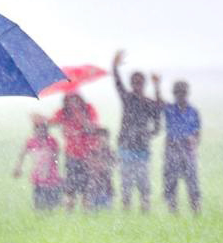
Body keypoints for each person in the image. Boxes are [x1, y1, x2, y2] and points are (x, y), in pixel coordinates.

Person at [113, 50, 162, 212]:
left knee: (143, 186)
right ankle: (127, 212)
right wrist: (114, 67)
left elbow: (157, 122)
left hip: (141, 149)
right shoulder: (127, 98)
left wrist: (157, 87)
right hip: (126, 148)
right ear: (131, 83)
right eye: (134, 82)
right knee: (126, 185)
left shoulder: (148, 103)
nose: (137, 85)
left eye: (139, 82)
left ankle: (144, 212)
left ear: (143, 84)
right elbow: (118, 84)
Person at [154, 75, 202, 215]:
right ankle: (173, 213)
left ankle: (196, 212)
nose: (181, 95)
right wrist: (157, 86)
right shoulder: (170, 109)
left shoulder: (193, 112)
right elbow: (159, 102)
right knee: (171, 185)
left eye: (183, 92)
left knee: (192, 185)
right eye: (178, 92)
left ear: (187, 93)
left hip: (188, 152)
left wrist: (192, 140)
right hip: (172, 151)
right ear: (174, 93)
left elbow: (197, 134)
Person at [49, 93, 99, 212]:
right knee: (70, 184)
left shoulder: (88, 109)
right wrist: (41, 119)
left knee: (86, 185)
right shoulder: (63, 112)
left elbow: (92, 128)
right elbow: (52, 122)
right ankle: (69, 210)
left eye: (75, 99)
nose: (72, 103)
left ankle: (86, 209)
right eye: (69, 100)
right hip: (71, 154)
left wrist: (80, 116)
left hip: (87, 154)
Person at [13, 114, 63, 210]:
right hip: (38, 176)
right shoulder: (31, 142)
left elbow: (56, 158)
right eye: (38, 129)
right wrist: (18, 167)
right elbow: (22, 154)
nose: (41, 132)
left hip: (51, 176)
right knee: (38, 201)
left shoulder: (52, 141)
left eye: (43, 129)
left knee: (51, 203)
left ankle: (51, 207)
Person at [85, 128, 116, 209]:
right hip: (94, 186)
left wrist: (103, 165)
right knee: (92, 209)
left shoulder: (110, 152)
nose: (101, 139)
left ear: (107, 139)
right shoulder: (92, 151)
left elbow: (112, 165)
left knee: (105, 210)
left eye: (104, 137)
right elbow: (89, 165)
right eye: (99, 137)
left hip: (106, 185)